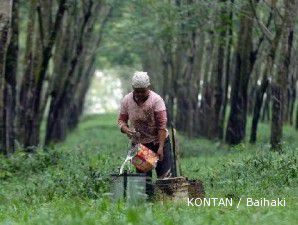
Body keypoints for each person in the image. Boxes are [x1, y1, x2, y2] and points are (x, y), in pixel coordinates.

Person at [118, 71, 173, 195]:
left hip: (159, 141)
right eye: (137, 91)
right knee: (143, 180)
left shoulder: (156, 100)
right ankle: (147, 203)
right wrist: (126, 129)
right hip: (140, 145)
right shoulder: (127, 100)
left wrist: (160, 147)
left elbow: (161, 126)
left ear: (148, 87)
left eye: (143, 91)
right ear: (133, 89)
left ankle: (166, 203)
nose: (140, 94)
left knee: (165, 177)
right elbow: (121, 120)